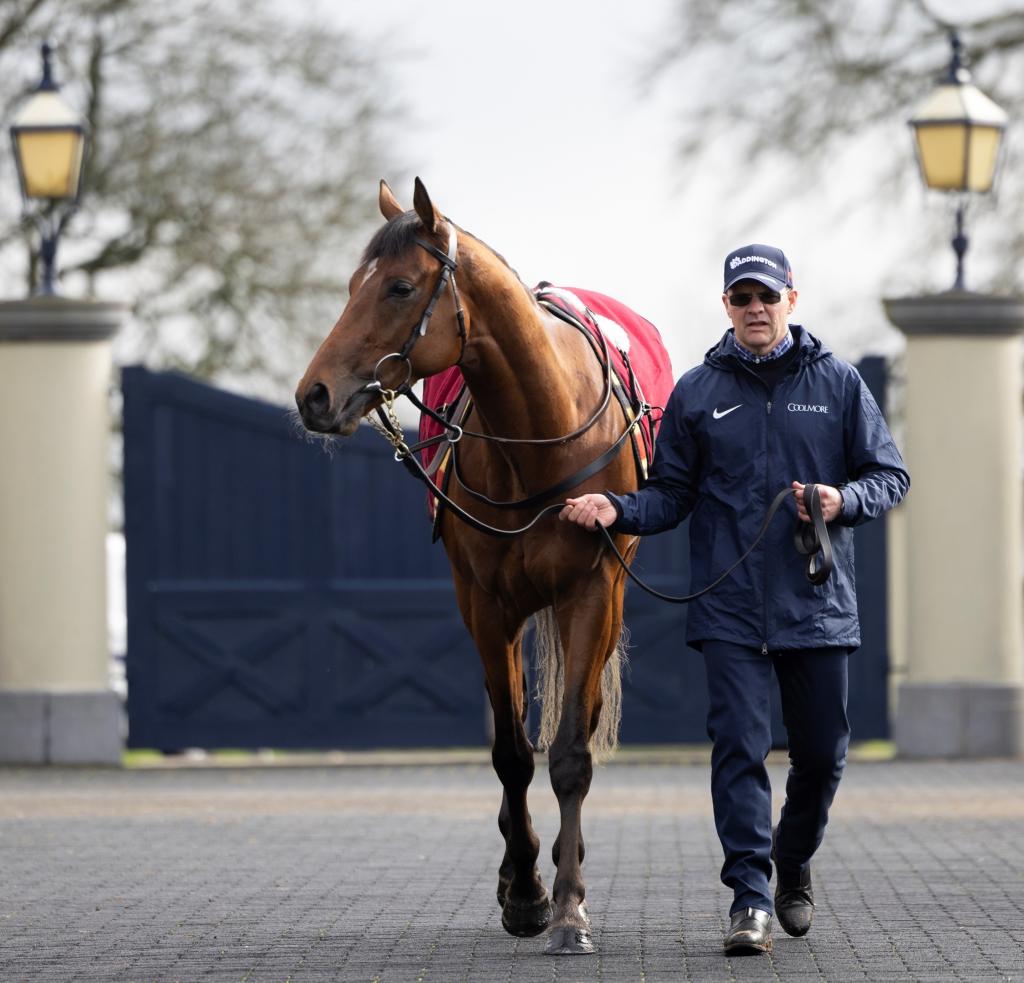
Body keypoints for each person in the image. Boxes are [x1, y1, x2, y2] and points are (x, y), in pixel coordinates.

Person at [559, 244, 909, 956]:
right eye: (742, 297)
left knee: (823, 756)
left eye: (767, 296)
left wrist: (843, 499)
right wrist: (617, 508)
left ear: (790, 301)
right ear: (726, 305)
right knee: (739, 751)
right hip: (729, 609)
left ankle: (793, 857)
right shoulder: (697, 391)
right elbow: (670, 495)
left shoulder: (838, 382)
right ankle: (750, 898)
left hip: (817, 603)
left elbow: (890, 476)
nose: (755, 308)